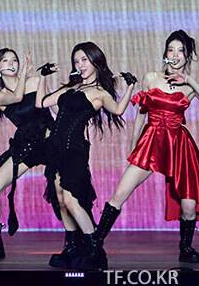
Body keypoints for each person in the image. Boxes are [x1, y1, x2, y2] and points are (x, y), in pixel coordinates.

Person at [93, 30, 199, 265]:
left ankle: (185, 248)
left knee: (188, 206)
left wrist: (189, 80)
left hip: (179, 144)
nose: (175, 55)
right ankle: (95, 243)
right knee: (120, 193)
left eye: (180, 51)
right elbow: (141, 115)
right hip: (152, 139)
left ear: (187, 56)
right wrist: (133, 144)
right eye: (171, 50)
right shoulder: (151, 78)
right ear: (165, 53)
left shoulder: (189, 87)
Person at [36, 42, 136, 270]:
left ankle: (95, 251)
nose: (80, 65)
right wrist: (42, 77)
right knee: (60, 200)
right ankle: (72, 248)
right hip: (55, 149)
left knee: (72, 200)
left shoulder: (99, 93)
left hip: (75, 151)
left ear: (95, 61)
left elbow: (118, 110)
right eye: (76, 61)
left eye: (84, 60)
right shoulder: (72, 87)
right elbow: (40, 102)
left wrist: (130, 86)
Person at [0, 48, 54, 258]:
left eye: (14, 60)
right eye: (6, 61)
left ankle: (79, 241)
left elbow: (53, 107)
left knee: (65, 192)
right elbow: (17, 97)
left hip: (49, 140)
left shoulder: (35, 81)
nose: (12, 63)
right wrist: (23, 74)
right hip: (27, 145)